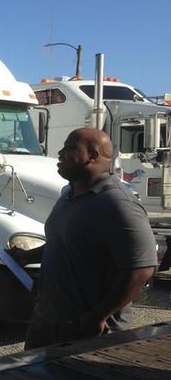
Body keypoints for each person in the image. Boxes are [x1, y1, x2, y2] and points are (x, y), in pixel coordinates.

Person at [10, 128, 157, 350]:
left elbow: (141, 268)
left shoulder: (117, 203)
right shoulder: (69, 194)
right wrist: (26, 256)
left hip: (88, 331)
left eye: (69, 148)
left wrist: (98, 316)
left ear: (93, 156)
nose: (59, 153)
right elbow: (62, 241)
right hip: (47, 321)